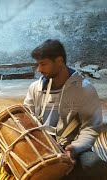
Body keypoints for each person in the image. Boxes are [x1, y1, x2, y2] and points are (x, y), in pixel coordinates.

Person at [23, 39, 107, 179]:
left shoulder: (84, 90)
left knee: (94, 165)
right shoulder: (35, 88)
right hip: (41, 144)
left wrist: (75, 148)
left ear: (59, 61)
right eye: (38, 64)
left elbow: (91, 128)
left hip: (70, 146)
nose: (39, 70)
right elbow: (26, 115)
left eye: (43, 64)